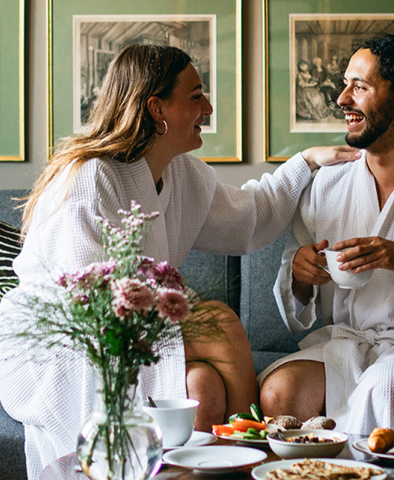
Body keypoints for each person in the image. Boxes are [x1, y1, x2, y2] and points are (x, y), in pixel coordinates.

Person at [0, 44, 359, 480]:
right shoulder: (89, 177)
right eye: (196, 96)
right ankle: (257, 462)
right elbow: (87, 297)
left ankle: (209, 472)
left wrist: (305, 162)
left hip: (134, 328)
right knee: (221, 323)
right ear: (156, 108)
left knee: (202, 388)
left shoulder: (181, 174)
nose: (207, 107)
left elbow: (251, 216)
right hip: (67, 342)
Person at [259, 34, 394, 455]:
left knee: (385, 385)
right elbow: (297, 283)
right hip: (350, 342)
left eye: (359, 86)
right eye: (345, 84)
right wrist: (302, 276)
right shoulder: (328, 182)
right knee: (278, 393)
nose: (342, 98)